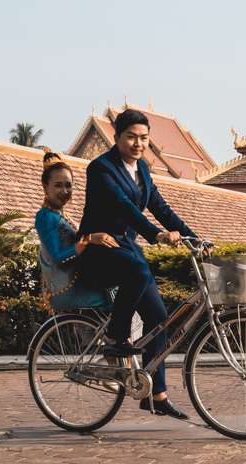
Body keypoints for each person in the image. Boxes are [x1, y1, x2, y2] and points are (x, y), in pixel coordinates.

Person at [77, 108, 199, 420]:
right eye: (131, 136)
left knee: (159, 317)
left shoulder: (143, 169)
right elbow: (124, 206)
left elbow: (160, 207)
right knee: (138, 270)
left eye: (143, 138)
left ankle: (156, 396)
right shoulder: (100, 168)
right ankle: (116, 338)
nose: (138, 143)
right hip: (98, 248)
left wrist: (194, 238)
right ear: (116, 137)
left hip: (127, 247)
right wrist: (155, 234)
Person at [34, 150, 119, 311]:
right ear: (45, 187)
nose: (64, 192)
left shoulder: (59, 214)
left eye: (68, 185)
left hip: (77, 283)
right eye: (58, 185)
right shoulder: (45, 216)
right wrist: (89, 240)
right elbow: (59, 259)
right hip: (66, 290)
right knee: (120, 299)